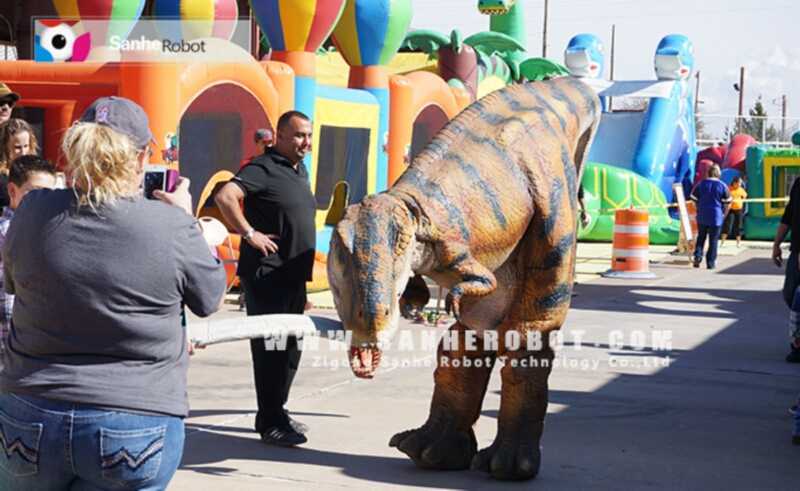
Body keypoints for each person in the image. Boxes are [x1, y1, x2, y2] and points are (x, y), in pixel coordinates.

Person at [0, 96, 226, 490]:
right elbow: (210, 298)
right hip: (135, 419)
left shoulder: (33, 209)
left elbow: (14, 283)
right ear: (140, 159)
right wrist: (188, 221)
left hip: (30, 413)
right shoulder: (171, 226)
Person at [215, 110, 315, 447]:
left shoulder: (299, 171)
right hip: (267, 276)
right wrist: (249, 233)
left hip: (293, 278)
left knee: (290, 352)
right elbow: (225, 196)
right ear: (280, 136)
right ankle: (270, 422)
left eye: (309, 136)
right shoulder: (264, 167)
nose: (306, 142)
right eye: (300, 135)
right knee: (270, 352)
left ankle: (277, 412)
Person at [0, 155, 57, 352]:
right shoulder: (8, 232)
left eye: (51, 194)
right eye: (35, 193)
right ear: (12, 191)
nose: (44, 201)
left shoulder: (45, 230)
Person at [772, 176, 800, 364]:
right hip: (796, 252)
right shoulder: (798, 184)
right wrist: (777, 244)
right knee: (790, 294)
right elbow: (789, 215)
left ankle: (797, 345)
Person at [690, 164, 731, 269]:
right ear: (718, 174)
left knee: (701, 237)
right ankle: (710, 262)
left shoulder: (701, 184)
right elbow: (728, 203)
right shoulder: (722, 186)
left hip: (702, 215)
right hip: (716, 216)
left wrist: (698, 209)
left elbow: (693, 199)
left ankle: (697, 257)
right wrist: (723, 215)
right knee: (713, 240)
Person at [0, 118, 39, 210]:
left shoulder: (37, 172)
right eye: (17, 147)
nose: (23, 152)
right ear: (4, 147)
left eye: (26, 146)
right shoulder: (2, 178)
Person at [721, 176, 747, 247]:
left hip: (739, 210)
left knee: (739, 225)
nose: (740, 184)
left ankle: (738, 242)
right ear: (734, 183)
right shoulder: (729, 189)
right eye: (739, 183)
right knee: (727, 225)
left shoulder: (741, 190)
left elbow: (745, 197)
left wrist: (741, 202)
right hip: (730, 209)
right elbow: (725, 198)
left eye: (740, 183)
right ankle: (722, 242)